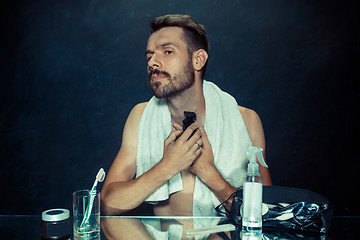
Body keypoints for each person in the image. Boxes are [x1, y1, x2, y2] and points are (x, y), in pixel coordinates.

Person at [101, 14, 271, 216]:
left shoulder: (247, 121)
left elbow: (268, 213)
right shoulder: (141, 117)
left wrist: (208, 172)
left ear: (198, 60)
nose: (153, 62)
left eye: (167, 51)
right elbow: (107, 205)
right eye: (149, 56)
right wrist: (168, 166)